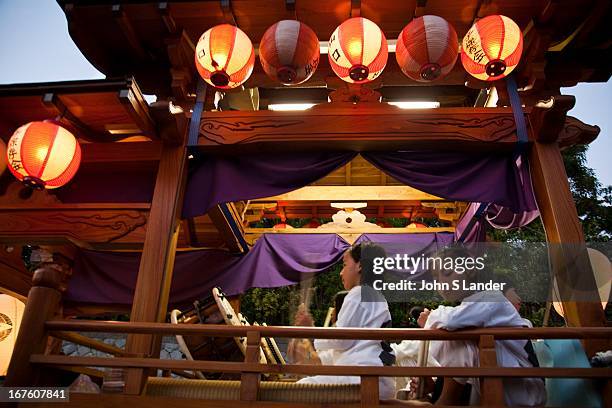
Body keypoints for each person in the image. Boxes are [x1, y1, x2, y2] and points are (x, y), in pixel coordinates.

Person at [414, 247, 546, 406]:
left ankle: (445, 400)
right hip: (499, 386)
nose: (441, 282)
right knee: (460, 341)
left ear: (469, 271)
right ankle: (444, 399)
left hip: (524, 392)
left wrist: (431, 317)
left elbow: (451, 321)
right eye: (436, 278)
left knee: (457, 340)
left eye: (448, 273)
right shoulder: (469, 308)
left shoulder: (491, 299)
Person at [294, 242, 396, 400]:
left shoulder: (359, 293)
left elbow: (341, 339)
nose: (341, 273)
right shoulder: (375, 296)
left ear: (360, 265)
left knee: (300, 389)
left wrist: (311, 332)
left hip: (362, 379)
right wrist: (312, 329)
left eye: (344, 264)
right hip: (376, 379)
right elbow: (346, 343)